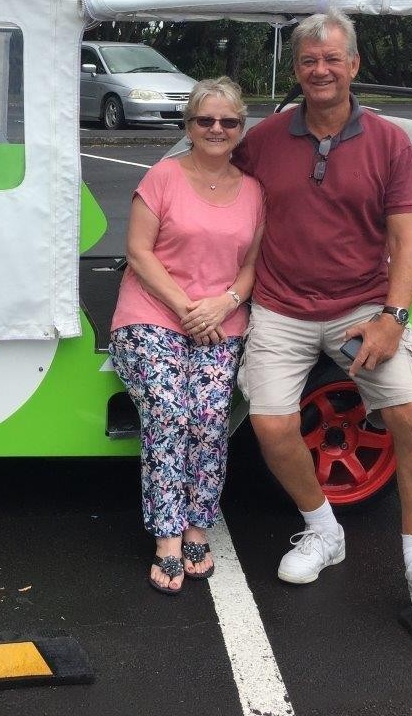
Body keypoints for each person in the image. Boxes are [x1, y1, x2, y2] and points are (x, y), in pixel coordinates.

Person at [213, 9, 412, 605]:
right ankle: (322, 531)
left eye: (332, 58)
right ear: (297, 69)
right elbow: (215, 187)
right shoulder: (265, 138)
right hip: (280, 308)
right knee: (270, 423)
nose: (320, 70)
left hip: (361, 307)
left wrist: (394, 317)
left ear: (354, 65)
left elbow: (406, 242)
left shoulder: (388, 142)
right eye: (309, 60)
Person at [109, 78, 265, 595]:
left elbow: (250, 267)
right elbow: (139, 253)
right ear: (189, 126)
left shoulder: (255, 192)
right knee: (170, 410)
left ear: (241, 129)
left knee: (209, 416)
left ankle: (200, 524)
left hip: (222, 317)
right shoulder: (162, 177)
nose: (217, 129)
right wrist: (187, 308)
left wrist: (225, 302)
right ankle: (168, 535)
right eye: (205, 120)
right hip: (153, 313)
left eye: (229, 121)